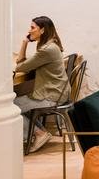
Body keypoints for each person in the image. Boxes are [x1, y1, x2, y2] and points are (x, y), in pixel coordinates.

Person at [14, 16, 67, 153]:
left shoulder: (46, 50)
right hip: (57, 92)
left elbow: (20, 66)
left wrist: (24, 42)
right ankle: (40, 132)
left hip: (51, 96)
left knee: (9, 107)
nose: (29, 30)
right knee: (13, 103)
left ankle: (38, 134)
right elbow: (25, 64)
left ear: (42, 30)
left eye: (32, 28)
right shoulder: (50, 45)